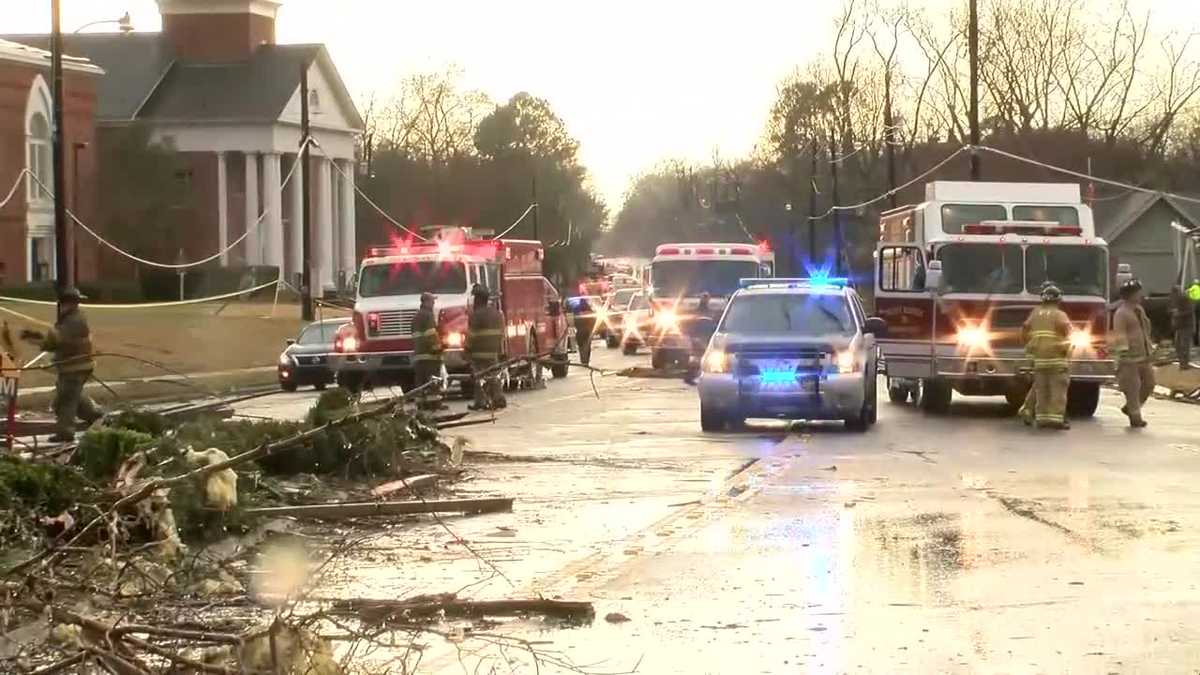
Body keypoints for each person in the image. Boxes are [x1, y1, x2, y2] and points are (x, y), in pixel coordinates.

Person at [20, 288, 102, 442]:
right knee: (72, 396)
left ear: (65, 304)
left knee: (65, 401)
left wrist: (35, 339)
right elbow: (58, 340)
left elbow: (54, 342)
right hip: (79, 366)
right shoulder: (74, 317)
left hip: (75, 367)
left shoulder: (72, 320)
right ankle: (96, 416)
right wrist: (39, 337)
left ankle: (65, 433)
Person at [1020, 283, 1072, 429]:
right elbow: (1068, 332)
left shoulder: (1035, 313)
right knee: (1057, 390)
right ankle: (1055, 419)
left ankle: (1041, 418)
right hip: (1056, 359)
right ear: (1058, 300)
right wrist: (1067, 349)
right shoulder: (1060, 315)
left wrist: (1029, 346)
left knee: (1041, 389)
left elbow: (1024, 329)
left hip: (1039, 360)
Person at [1112, 278, 1155, 428]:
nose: (1140, 295)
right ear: (1129, 294)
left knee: (1149, 384)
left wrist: (1150, 347)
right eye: (1137, 292)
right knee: (1132, 388)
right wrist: (1124, 351)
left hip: (1144, 355)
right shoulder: (1121, 313)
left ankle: (1130, 408)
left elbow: (1145, 329)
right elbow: (1120, 333)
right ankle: (1135, 417)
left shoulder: (1139, 310)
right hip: (1129, 358)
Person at [466, 284, 507, 411]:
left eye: (475, 298)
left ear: (478, 299)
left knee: (479, 377)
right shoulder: (497, 313)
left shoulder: (476, 315)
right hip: (493, 352)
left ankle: (480, 401)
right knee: (494, 375)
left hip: (478, 353)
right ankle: (498, 398)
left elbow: (471, 336)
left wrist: (466, 350)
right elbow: (502, 334)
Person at [411, 292, 446, 411]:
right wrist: (438, 348)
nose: (433, 303)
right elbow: (431, 334)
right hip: (430, 356)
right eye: (432, 301)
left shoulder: (416, 317)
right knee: (433, 380)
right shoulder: (428, 316)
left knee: (420, 382)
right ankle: (434, 404)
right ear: (426, 302)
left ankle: (421, 405)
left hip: (418, 356)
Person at [1169, 285, 1194, 369]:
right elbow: (1169, 310)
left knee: (1184, 345)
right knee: (1178, 345)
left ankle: (1185, 363)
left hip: (1186, 325)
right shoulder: (1174, 300)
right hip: (1179, 326)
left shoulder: (1185, 299)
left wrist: (1178, 314)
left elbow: (1190, 311)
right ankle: (1182, 362)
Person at [573, 297, 597, 367]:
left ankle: (583, 360)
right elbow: (593, 321)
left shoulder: (576, 310)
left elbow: (575, 322)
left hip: (580, 331)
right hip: (587, 331)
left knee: (581, 346)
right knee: (587, 346)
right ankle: (586, 360)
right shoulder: (590, 311)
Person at [1189, 278, 1200, 346]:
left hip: (1194, 307)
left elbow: (1187, 295)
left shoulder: (1192, 289)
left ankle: (1195, 342)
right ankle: (1197, 342)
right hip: (1197, 307)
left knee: (1195, 325)